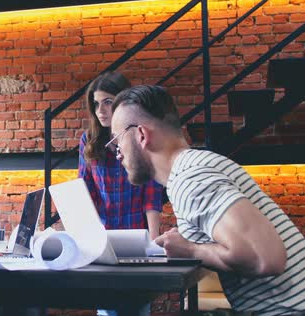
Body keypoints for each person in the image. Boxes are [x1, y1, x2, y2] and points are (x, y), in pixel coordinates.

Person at [110, 85, 305, 314]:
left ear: (141, 135)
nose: (118, 153)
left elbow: (267, 259)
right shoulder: (197, 164)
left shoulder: (191, 179)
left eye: (117, 141)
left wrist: (192, 250)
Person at [79, 71, 163, 241]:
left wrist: (154, 240)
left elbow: (152, 194)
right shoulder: (89, 140)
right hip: (102, 236)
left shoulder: (141, 135)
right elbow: (85, 189)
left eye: (107, 102)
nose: (100, 111)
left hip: (138, 235)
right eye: (96, 104)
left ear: (124, 102)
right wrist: (83, 236)